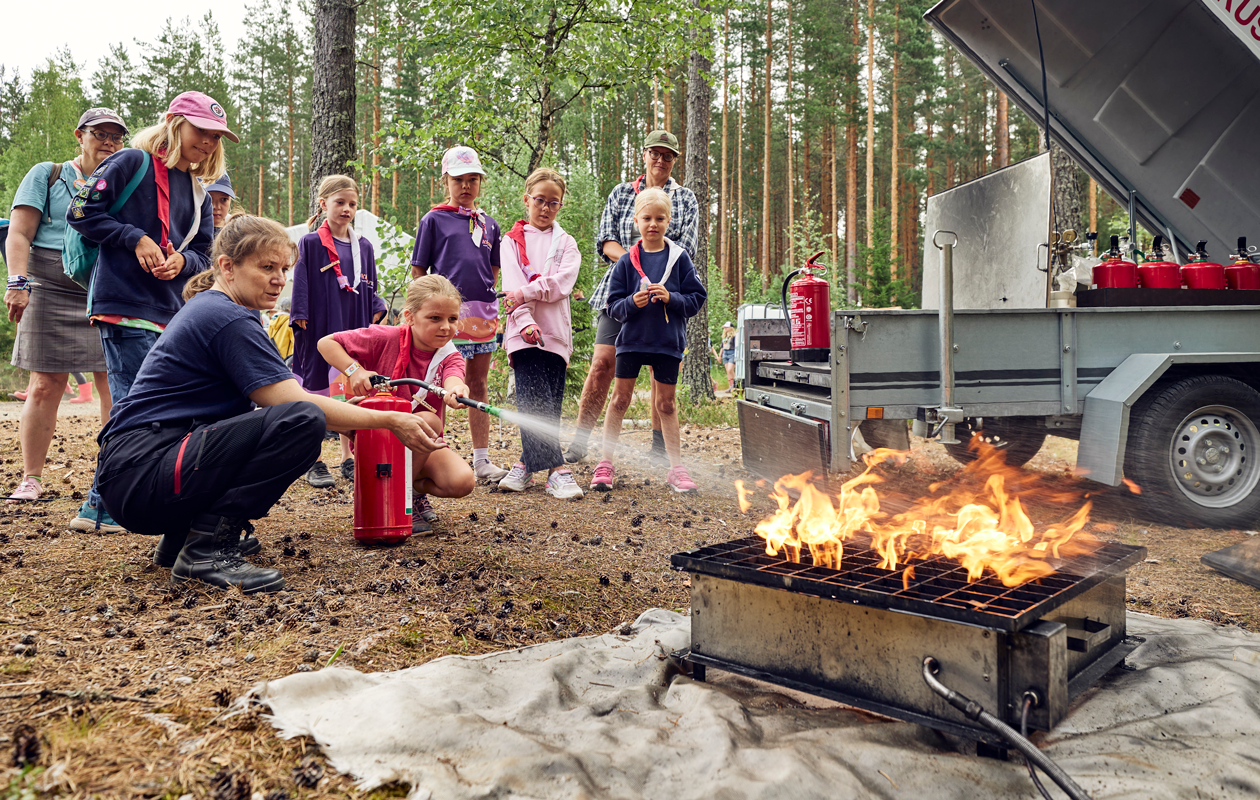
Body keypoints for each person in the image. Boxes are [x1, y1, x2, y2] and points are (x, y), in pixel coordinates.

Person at [94, 215, 444, 593]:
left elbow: (285, 399)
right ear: (227, 266)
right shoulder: (226, 317)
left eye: (284, 268)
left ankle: (181, 539)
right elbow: (294, 406)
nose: (279, 279)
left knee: (295, 417)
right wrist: (391, 421)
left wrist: (358, 413)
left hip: (137, 473)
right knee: (302, 421)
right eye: (266, 267)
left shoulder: (224, 311)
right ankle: (207, 549)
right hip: (142, 475)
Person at [65, 91, 232, 532]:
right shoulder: (130, 162)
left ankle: (113, 500)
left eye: (217, 137)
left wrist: (183, 262)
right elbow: (79, 211)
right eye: (202, 132)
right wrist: (133, 237)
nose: (210, 143)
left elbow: (203, 253)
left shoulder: (198, 192)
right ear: (174, 123)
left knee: (148, 406)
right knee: (133, 405)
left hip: (169, 311)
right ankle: (101, 505)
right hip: (123, 304)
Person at [3, 107, 125, 504]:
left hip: (102, 287)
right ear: (80, 135)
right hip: (48, 285)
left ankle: (113, 473)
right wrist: (17, 282)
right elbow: (19, 233)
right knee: (45, 383)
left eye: (116, 136)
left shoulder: (120, 179)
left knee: (113, 382)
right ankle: (31, 478)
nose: (108, 143)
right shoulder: (48, 173)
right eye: (100, 134)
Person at [565, 130, 698, 467]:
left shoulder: (686, 200)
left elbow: (687, 250)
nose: (660, 160)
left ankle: (659, 449)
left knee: (660, 371)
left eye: (667, 155)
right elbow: (606, 241)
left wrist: (658, 278)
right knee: (601, 365)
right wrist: (635, 264)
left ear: (673, 161)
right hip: (622, 291)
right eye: (655, 152)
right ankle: (580, 442)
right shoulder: (622, 193)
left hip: (666, 295)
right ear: (644, 155)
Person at [317, 274, 476, 533]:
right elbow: (326, 343)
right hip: (378, 440)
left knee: (461, 482)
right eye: (435, 318)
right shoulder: (385, 337)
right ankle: (397, 502)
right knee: (428, 421)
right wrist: (355, 371)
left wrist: (457, 390)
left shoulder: (450, 355)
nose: (446, 326)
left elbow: (454, 380)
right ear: (410, 317)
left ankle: (408, 490)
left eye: (452, 319)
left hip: (417, 443)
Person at [590, 188, 706, 494]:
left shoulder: (680, 258)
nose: (652, 224)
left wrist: (673, 298)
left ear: (669, 221)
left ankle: (676, 469)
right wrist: (632, 303)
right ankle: (605, 463)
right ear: (635, 221)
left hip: (667, 344)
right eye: (646, 218)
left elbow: (697, 299)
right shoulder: (627, 261)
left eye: (659, 218)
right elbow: (613, 306)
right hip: (631, 342)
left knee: (666, 405)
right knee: (619, 400)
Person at [411, 146, 508, 483]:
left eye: (472, 179)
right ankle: (429, 456)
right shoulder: (434, 219)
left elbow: (493, 266)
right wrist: (430, 312)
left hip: (483, 315)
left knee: (477, 383)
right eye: (458, 180)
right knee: (441, 385)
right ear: (446, 181)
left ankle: (481, 461)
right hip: (448, 317)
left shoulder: (490, 224)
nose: (466, 186)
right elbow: (419, 268)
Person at [290, 175, 388, 487]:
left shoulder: (364, 246)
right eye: (340, 203)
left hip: (353, 323)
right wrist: (300, 312)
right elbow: (301, 281)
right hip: (320, 323)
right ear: (323, 205)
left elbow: (370, 281)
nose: (346, 209)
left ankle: (348, 455)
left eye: (352, 204)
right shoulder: (311, 242)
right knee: (317, 384)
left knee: (349, 384)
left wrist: (377, 306)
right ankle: (314, 459)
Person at [496, 168, 583, 499]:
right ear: (526, 200)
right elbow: (512, 290)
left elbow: (562, 284)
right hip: (522, 333)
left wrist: (527, 293)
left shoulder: (566, 243)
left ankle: (524, 465)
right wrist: (524, 321)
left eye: (553, 203)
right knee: (533, 400)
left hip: (556, 335)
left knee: (548, 405)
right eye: (539, 200)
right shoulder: (510, 242)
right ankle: (558, 470)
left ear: (560, 207)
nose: (545, 208)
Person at [205, 172, 238, 237]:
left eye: (224, 199)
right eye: (209, 199)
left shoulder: (237, 231)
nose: (216, 207)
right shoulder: (188, 229)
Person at [715, 321, 736, 390]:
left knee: (730, 369)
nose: (725, 328)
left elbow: (736, 347)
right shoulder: (724, 337)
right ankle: (731, 386)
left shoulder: (734, 337)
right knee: (727, 370)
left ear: (731, 328)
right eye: (725, 327)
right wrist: (719, 356)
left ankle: (735, 385)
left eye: (727, 327)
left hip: (732, 353)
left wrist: (736, 356)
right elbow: (722, 347)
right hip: (725, 353)